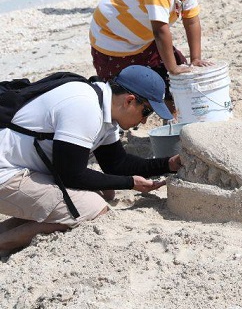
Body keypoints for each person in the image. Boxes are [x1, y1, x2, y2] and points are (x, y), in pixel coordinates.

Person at [0, 65, 180, 254]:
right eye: (147, 112)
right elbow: (72, 175)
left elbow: (117, 163)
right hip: (6, 174)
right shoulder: (85, 107)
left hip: (17, 167)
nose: (144, 121)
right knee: (94, 210)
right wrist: (129, 183)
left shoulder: (102, 102)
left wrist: (168, 164)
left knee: (103, 194)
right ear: (129, 101)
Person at [89, 0, 215, 99]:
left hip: (143, 40)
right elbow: (160, 31)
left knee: (178, 81)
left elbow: (191, 21)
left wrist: (196, 58)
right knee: (124, 95)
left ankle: (173, 117)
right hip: (111, 40)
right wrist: (173, 68)